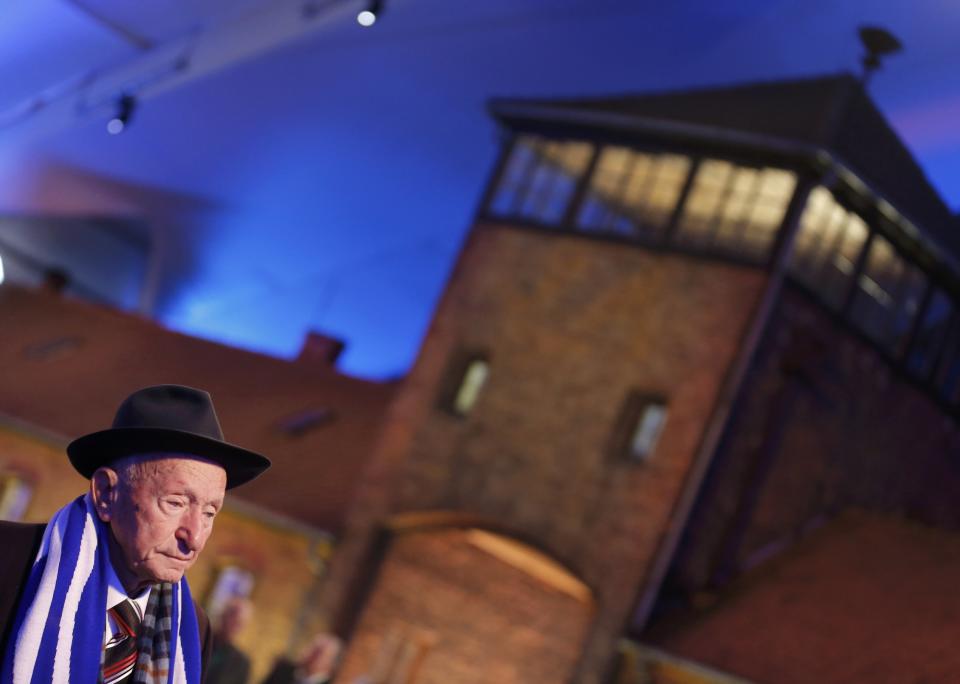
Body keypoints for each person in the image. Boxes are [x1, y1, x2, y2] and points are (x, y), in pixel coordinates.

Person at [0, 384, 271, 684]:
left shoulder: (194, 630)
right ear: (106, 493)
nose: (194, 538)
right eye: (175, 503)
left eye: (209, 513)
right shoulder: (10, 560)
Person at [260, 633, 343, 684]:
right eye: (312, 648)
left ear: (331, 665)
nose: (310, 654)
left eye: (318, 653)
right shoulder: (283, 670)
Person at [205, 597, 254, 684]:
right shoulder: (201, 639)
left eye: (238, 622)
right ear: (222, 615)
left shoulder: (242, 663)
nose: (232, 624)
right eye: (231, 615)